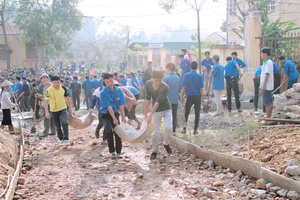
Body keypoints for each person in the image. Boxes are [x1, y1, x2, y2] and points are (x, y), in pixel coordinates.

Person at [144, 70, 173, 160]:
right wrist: (145, 113)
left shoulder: (165, 87)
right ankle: (155, 150)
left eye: (160, 80)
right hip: (156, 112)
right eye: (156, 80)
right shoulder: (148, 84)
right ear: (152, 78)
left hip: (166, 109)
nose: (158, 82)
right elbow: (148, 98)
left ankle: (166, 143)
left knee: (168, 128)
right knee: (154, 132)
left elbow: (157, 102)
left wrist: (150, 115)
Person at [100, 73, 126, 158]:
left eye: (111, 81)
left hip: (115, 113)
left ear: (113, 80)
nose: (110, 83)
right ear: (104, 82)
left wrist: (123, 116)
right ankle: (112, 151)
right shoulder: (103, 93)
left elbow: (121, 105)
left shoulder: (118, 91)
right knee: (108, 131)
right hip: (105, 114)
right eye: (107, 82)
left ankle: (119, 151)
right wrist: (114, 119)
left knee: (118, 132)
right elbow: (109, 107)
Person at [44, 76, 73, 146]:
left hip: (63, 108)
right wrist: (46, 112)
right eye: (54, 82)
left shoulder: (64, 88)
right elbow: (46, 101)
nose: (56, 84)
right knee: (57, 126)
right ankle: (61, 139)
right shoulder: (49, 90)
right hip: (53, 110)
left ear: (60, 81)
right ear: (52, 82)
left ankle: (66, 139)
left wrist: (71, 110)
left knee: (64, 122)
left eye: (58, 82)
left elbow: (67, 99)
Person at [180, 61, 204, 135]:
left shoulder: (186, 75)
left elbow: (184, 87)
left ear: (190, 67)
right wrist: (203, 98)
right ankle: (195, 130)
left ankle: (184, 129)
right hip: (197, 97)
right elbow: (201, 89)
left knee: (186, 113)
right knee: (197, 113)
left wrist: (182, 96)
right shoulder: (200, 76)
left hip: (189, 96)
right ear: (197, 67)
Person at [163, 63, 181, 133]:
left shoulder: (165, 79)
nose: (166, 70)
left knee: (167, 116)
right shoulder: (178, 78)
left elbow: (163, 91)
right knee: (174, 115)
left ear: (168, 69)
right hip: (175, 100)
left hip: (167, 101)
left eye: (166, 69)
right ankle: (174, 131)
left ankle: (168, 131)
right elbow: (179, 89)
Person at [39, 73, 56, 137]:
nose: (43, 80)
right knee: (51, 118)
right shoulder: (45, 87)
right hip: (48, 103)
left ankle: (45, 132)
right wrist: (39, 96)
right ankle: (53, 131)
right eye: (42, 78)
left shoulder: (50, 85)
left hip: (50, 104)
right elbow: (45, 96)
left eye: (45, 78)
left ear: (47, 78)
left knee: (47, 118)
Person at [260, 48, 274, 118]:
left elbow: (267, 74)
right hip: (267, 85)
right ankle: (269, 117)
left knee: (267, 102)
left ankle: (268, 118)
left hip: (267, 86)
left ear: (265, 53)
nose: (261, 55)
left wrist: (264, 85)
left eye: (261, 53)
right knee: (269, 102)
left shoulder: (268, 63)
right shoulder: (266, 62)